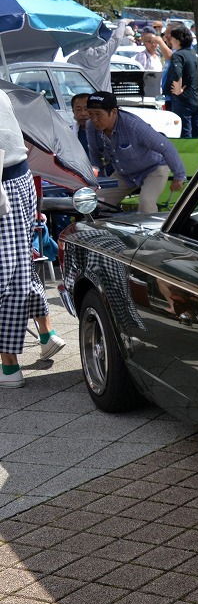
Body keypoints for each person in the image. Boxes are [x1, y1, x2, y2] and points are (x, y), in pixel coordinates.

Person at [0, 89, 66, 387]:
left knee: (10, 273)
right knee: (19, 267)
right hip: (19, 180)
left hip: (7, 185)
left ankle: (10, 363)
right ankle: (45, 333)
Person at [85, 91, 187, 214]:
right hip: (123, 173)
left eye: (98, 114)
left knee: (146, 204)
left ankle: (153, 232)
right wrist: (100, 181)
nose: (94, 119)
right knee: (94, 202)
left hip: (154, 168)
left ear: (113, 112)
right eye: (90, 114)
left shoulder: (134, 125)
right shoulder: (90, 126)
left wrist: (179, 175)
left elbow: (166, 146)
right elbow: (94, 154)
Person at [67, 19, 134, 93]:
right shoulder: (105, 52)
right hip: (103, 98)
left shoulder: (71, 59)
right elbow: (117, 37)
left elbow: (69, 84)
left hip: (81, 100)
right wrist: (123, 22)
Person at [162, 25, 198, 138]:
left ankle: (185, 155)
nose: (171, 41)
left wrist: (178, 89)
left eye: (173, 38)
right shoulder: (193, 54)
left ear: (178, 40)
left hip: (182, 100)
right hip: (195, 97)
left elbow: (177, 73)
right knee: (196, 131)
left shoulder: (177, 55)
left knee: (184, 132)